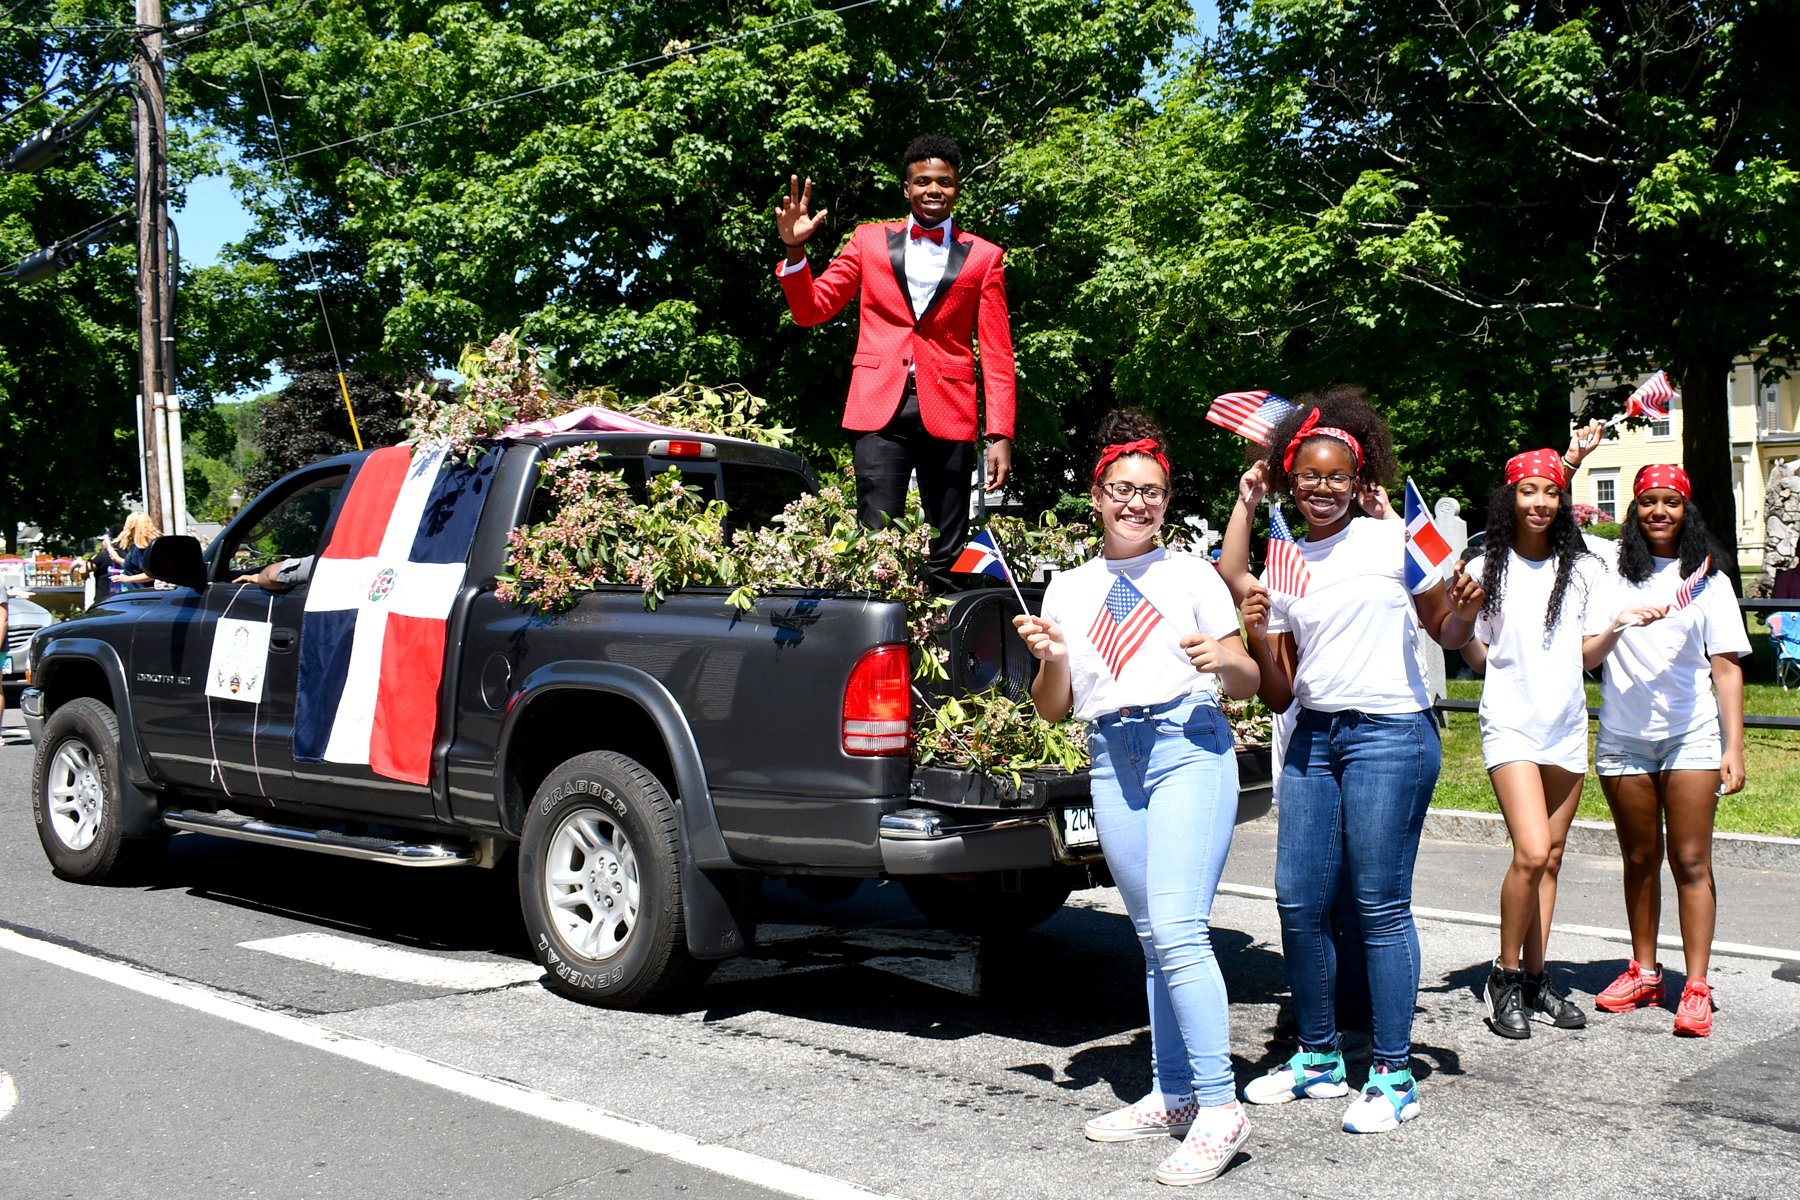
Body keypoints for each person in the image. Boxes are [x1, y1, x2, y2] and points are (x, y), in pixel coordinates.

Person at [1013, 410, 1260, 1186]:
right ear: (1097, 496)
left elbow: (1250, 681)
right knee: (1153, 935)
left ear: (1166, 500)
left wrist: (1223, 656)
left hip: (1188, 745)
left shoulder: (1191, 575)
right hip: (1111, 755)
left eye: (1151, 492)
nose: (1137, 504)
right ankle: (1174, 1093)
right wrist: (1052, 658)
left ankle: (1219, 1107)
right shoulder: (1068, 587)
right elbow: (1053, 707)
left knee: (1180, 929)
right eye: (1122, 489)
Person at [1221, 386, 1476, 1134]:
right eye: (1309, 475)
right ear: (1290, 477)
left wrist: (1464, 603)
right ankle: (1320, 1057)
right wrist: (1258, 631)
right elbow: (1279, 691)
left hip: (1390, 734)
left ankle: (1394, 1074)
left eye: (1336, 476)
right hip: (1314, 737)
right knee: (1299, 902)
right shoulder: (1286, 558)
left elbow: (1448, 630)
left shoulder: (1393, 538)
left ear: (1358, 479)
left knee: (1378, 904)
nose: (1322, 488)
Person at [1446, 449, 1661, 1040]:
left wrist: (1616, 628)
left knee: (1554, 857)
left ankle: (1537, 979)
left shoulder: (1584, 568)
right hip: (1510, 722)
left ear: (1561, 501)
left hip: (1565, 724)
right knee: (1532, 851)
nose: (1540, 502)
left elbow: (1585, 655)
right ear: (1510, 499)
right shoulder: (1486, 567)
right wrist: (1463, 622)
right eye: (1528, 491)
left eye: (1550, 492)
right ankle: (1505, 976)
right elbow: (1472, 652)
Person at [774, 134, 1016, 592]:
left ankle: (944, 630)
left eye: (944, 181)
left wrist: (1000, 432)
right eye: (922, 181)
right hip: (878, 407)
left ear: (957, 188)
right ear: (906, 188)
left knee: (948, 547)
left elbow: (997, 351)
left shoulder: (985, 257)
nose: (933, 190)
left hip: (951, 409)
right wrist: (795, 251)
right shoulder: (868, 240)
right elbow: (811, 310)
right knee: (877, 540)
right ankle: (882, 633)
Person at [1592, 464, 1749, 1038]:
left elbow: (1726, 668)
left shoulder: (1709, 580)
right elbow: (1548, 520)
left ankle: (1697, 985)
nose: (1659, 511)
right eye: (1648, 501)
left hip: (1691, 735)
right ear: (1633, 510)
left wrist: (1734, 747)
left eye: (1671, 502)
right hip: (1623, 736)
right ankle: (1645, 972)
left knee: (1690, 860)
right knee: (1639, 858)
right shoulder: (1607, 571)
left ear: (1687, 510)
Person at [113, 512, 158, 591]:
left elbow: (152, 574)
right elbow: (136, 566)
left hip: (143, 593)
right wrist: (118, 559)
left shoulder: (142, 548)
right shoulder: (145, 546)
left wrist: (127, 579)